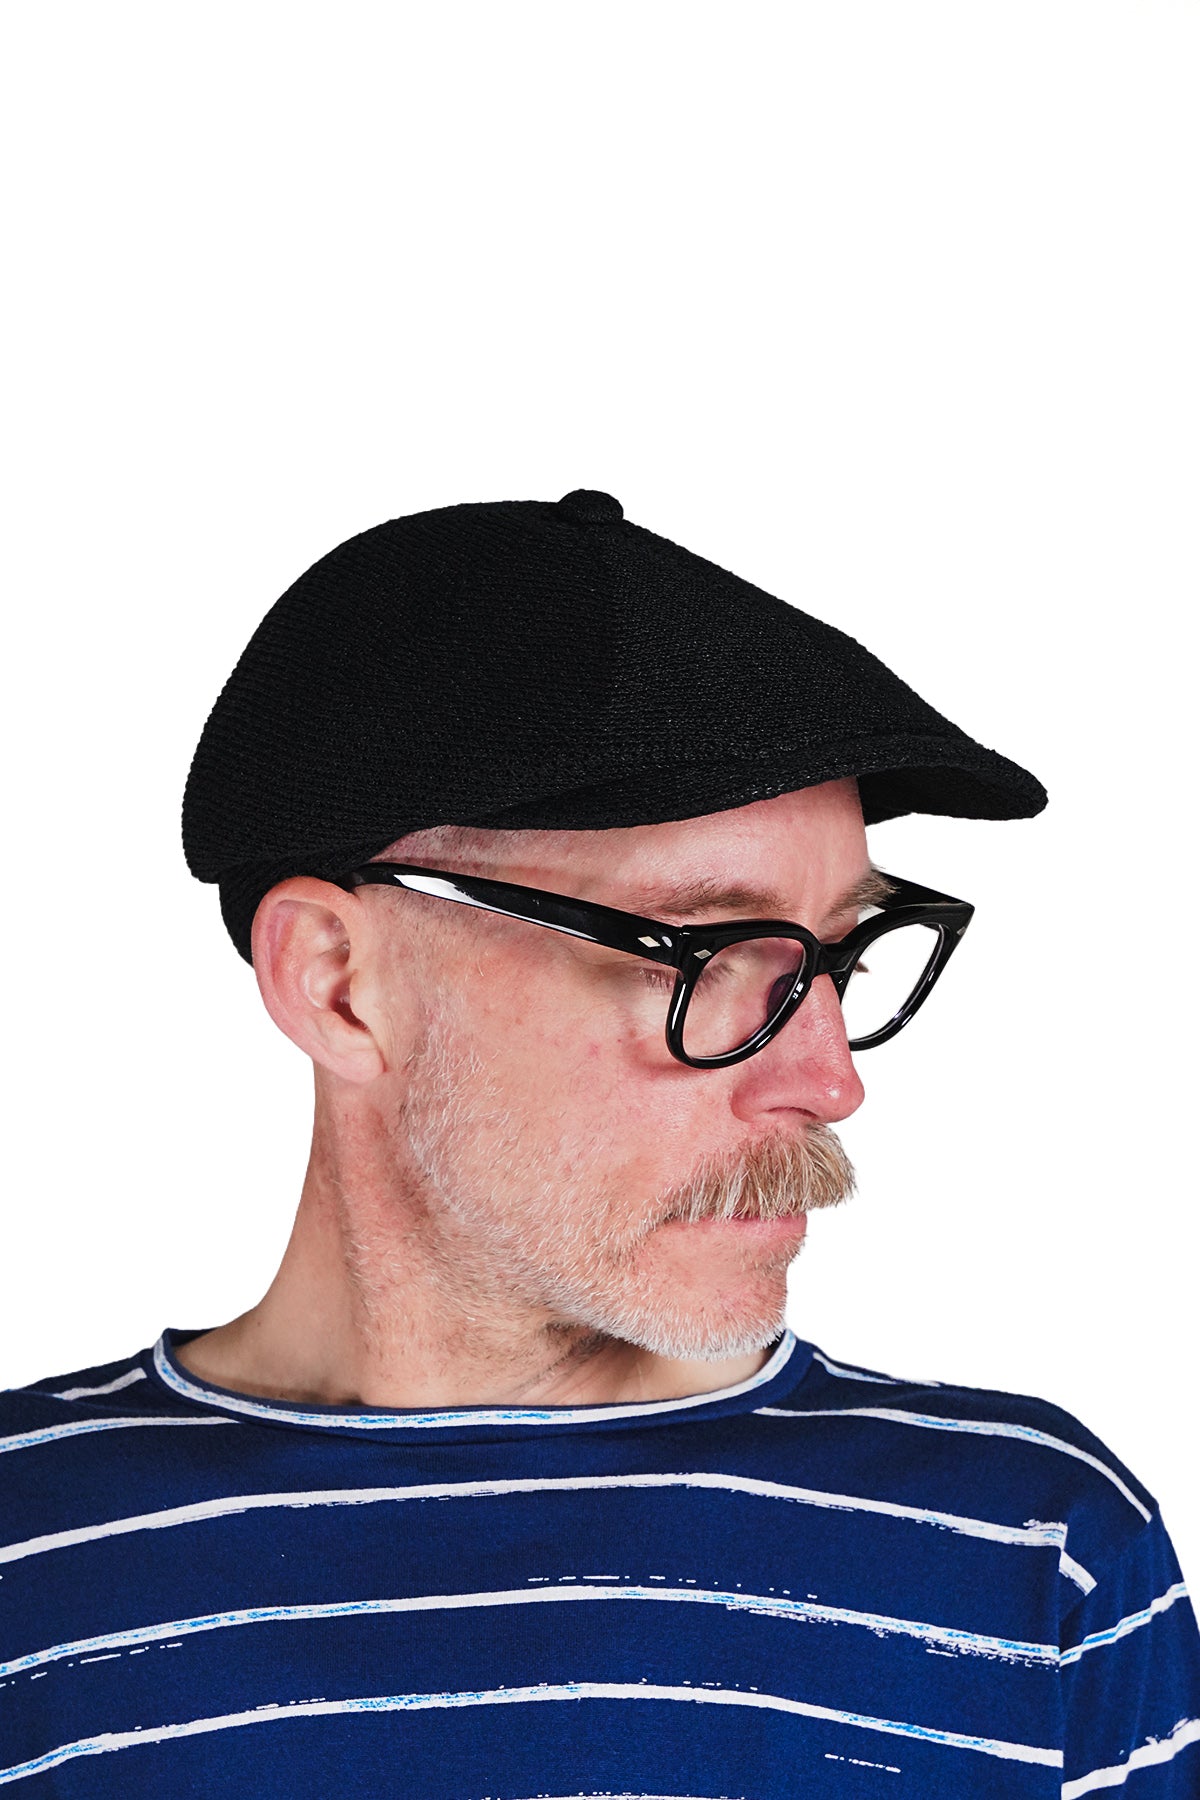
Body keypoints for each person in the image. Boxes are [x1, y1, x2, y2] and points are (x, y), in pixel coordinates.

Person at [2, 489, 1197, 1797]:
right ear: (340, 984)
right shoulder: (25, 1555)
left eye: (838, 960)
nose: (829, 1081)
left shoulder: (1032, 1553)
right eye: (703, 956)